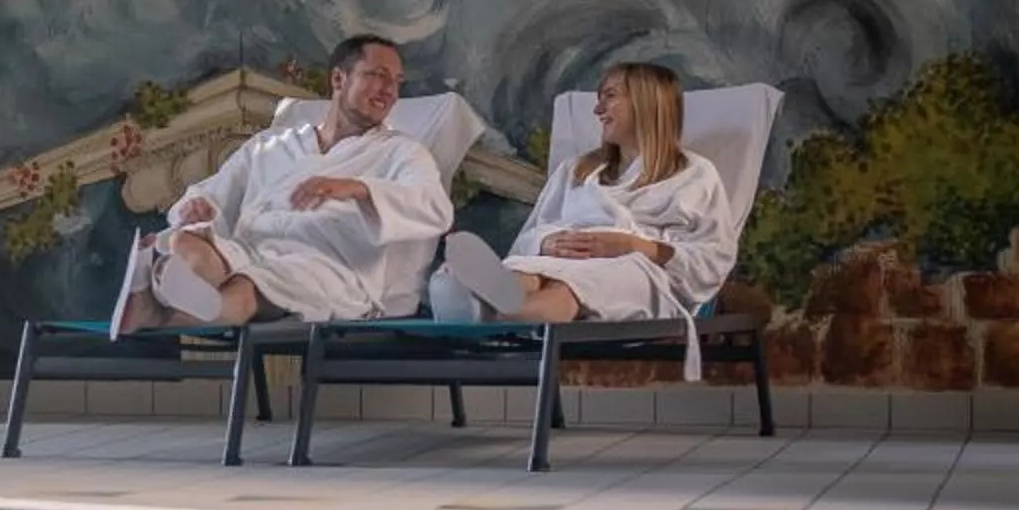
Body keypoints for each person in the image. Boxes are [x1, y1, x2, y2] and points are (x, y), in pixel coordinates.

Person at [115, 35, 455, 331]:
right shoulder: (273, 145)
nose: (390, 91)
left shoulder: (403, 152)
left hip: (327, 267)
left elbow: (434, 207)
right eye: (378, 76)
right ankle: (169, 301)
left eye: (396, 81)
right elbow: (214, 193)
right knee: (185, 241)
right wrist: (195, 207)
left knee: (246, 288)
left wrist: (359, 188)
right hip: (251, 249)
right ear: (339, 79)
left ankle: (159, 309)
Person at [431, 61, 735, 328]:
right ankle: (473, 294)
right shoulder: (577, 170)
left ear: (647, 103)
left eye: (610, 97)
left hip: (641, 272)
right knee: (527, 273)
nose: (598, 110)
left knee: (569, 287)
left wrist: (635, 245)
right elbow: (528, 237)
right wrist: (546, 241)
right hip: (562, 262)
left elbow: (713, 258)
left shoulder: (695, 174)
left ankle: (485, 315)